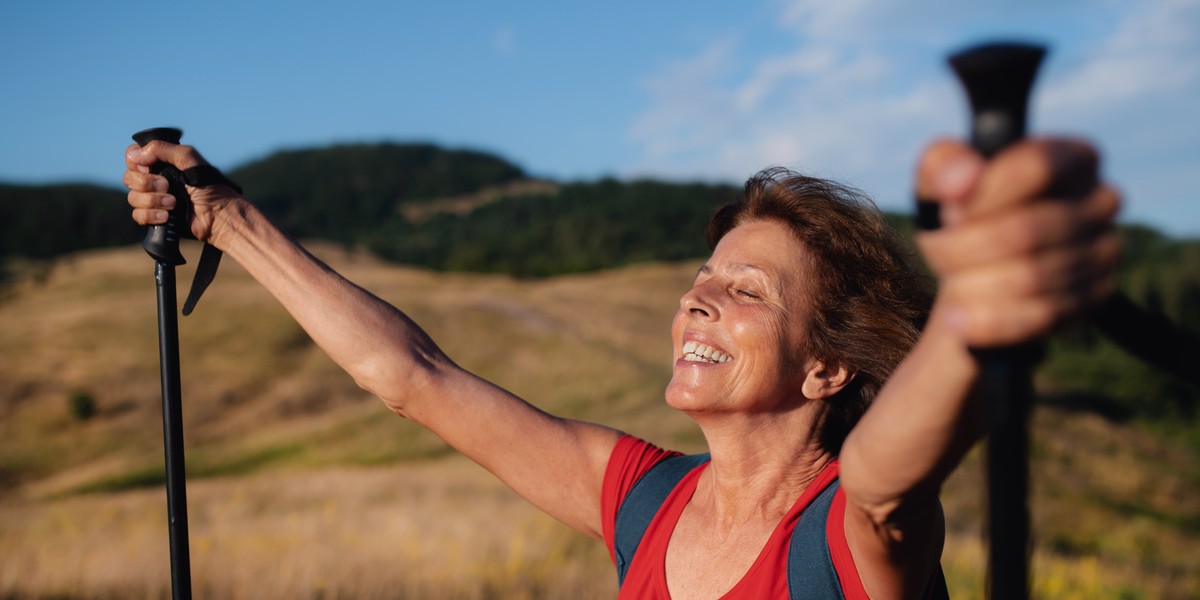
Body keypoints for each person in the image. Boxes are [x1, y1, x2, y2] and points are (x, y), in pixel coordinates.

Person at [124, 134, 1120, 598]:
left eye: (748, 291)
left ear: (826, 370)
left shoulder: (849, 536)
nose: (698, 296)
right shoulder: (643, 498)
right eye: (703, 274)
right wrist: (232, 221)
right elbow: (412, 377)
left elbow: (899, 467)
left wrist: (974, 322)